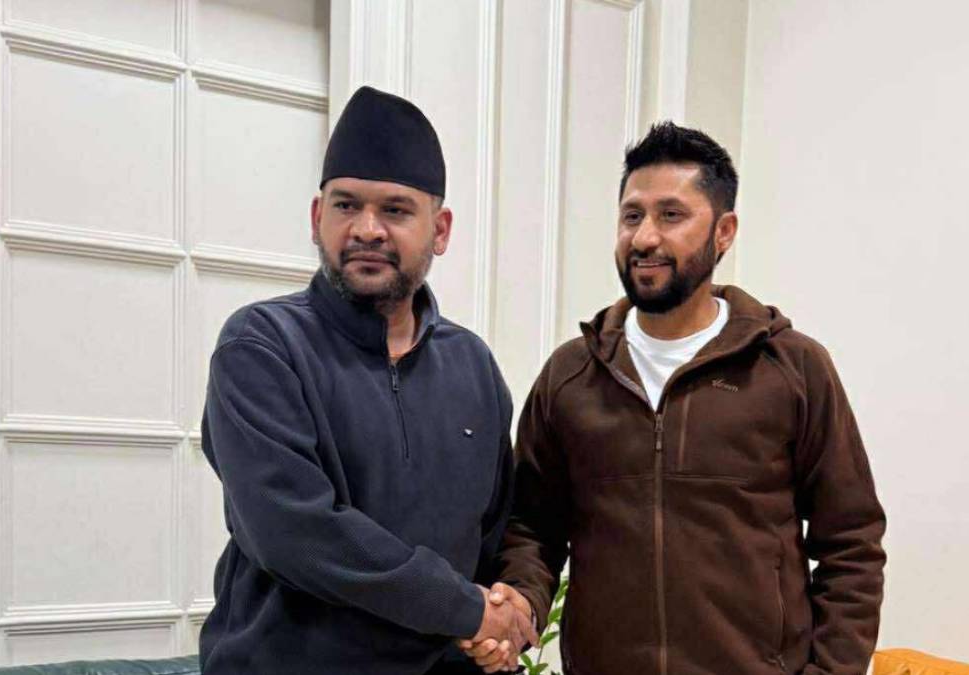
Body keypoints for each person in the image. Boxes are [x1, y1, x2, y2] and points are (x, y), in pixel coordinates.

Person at [467, 122, 886, 674]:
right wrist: (519, 606)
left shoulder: (792, 369)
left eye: (671, 215)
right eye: (632, 215)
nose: (644, 238)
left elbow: (851, 543)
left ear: (724, 230)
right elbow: (531, 530)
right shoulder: (570, 376)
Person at [198, 86, 535, 675]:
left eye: (396, 210)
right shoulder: (261, 346)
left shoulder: (473, 366)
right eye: (346, 205)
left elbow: (495, 528)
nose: (368, 229)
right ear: (315, 217)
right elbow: (297, 535)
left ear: (441, 229)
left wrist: (505, 615)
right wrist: (468, 610)